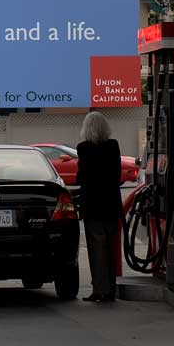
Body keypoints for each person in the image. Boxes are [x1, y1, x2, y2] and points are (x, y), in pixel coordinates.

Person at [77, 112, 122, 303]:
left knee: (97, 249)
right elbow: (117, 174)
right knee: (111, 248)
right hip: (111, 204)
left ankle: (100, 289)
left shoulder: (83, 148)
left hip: (93, 205)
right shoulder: (113, 146)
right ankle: (111, 289)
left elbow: (82, 177)